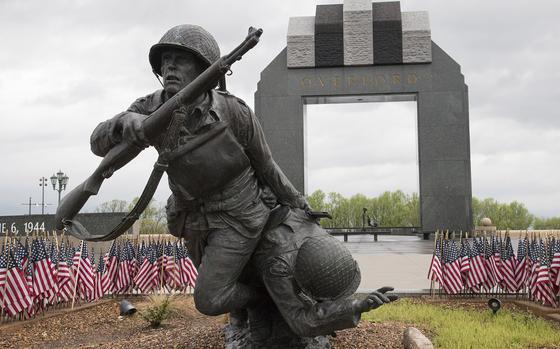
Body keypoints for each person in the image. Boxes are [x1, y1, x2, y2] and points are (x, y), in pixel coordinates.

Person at [89, 24, 307, 316]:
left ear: (206, 71)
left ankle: (264, 304)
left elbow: (266, 165)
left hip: (239, 216)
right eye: (165, 59)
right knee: (223, 284)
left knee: (210, 299)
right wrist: (122, 121)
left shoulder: (235, 112)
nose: (170, 66)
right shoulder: (149, 107)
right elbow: (97, 144)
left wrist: (298, 203)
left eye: (181, 59)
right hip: (190, 219)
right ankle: (252, 313)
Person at [249, 208, 397, 341]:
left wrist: (330, 318)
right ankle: (240, 320)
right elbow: (300, 320)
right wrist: (355, 306)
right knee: (268, 332)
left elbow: (324, 286)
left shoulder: (320, 236)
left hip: (282, 233)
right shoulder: (278, 268)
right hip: (251, 268)